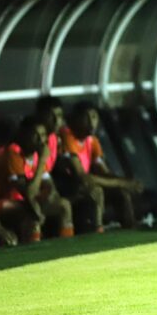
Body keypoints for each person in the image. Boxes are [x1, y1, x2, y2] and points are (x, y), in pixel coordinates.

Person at [0, 116, 74, 242]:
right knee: (31, 212)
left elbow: (49, 185)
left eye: (42, 135)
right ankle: (33, 253)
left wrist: (48, 197)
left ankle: (68, 248)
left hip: (23, 201)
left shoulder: (36, 154)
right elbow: (28, 192)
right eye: (35, 135)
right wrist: (42, 161)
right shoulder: (13, 152)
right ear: (24, 135)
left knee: (64, 205)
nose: (41, 140)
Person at [61, 102, 141, 228]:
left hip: (84, 184)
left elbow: (103, 171)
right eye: (86, 117)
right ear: (75, 119)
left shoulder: (92, 140)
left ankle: (132, 228)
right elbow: (83, 177)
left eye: (94, 117)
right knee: (96, 190)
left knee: (121, 192)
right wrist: (122, 182)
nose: (91, 122)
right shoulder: (67, 136)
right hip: (68, 186)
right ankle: (97, 230)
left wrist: (127, 183)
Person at [37, 96, 104, 232]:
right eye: (51, 116)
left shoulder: (55, 139)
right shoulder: (38, 140)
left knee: (94, 191)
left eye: (59, 116)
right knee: (65, 205)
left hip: (49, 185)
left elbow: (53, 172)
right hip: (31, 191)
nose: (56, 120)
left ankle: (99, 233)